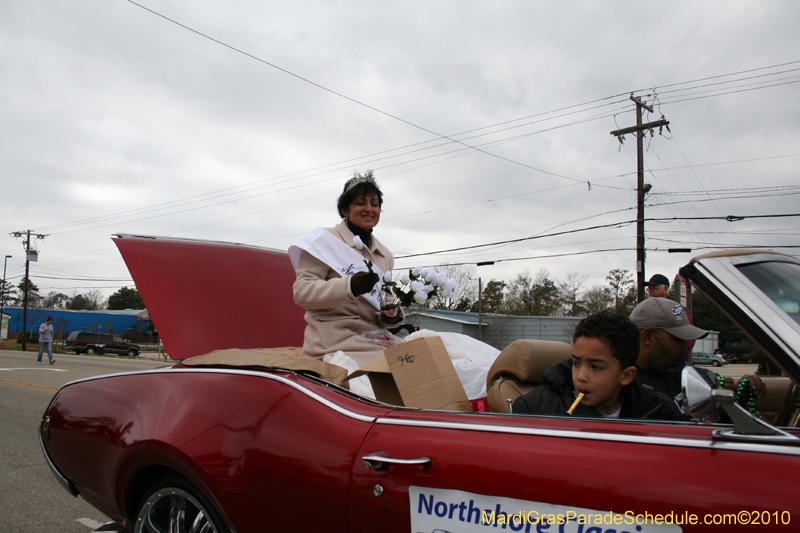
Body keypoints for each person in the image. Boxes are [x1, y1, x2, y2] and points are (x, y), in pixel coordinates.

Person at [290, 171, 403, 367]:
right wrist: (349, 286)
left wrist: (393, 315)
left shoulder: (385, 255)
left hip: (372, 338)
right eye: (360, 202)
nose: (369, 209)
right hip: (332, 341)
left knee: (425, 360)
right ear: (344, 209)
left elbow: (385, 299)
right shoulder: (324, 241)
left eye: (374, 204)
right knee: (397, 370)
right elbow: (302, 292)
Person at [513, 311, 682, 420]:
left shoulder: (659, 411)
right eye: (576, 363)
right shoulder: (535, 410)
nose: (581, 376)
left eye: (596, 367)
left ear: (626, 375)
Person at [630, 297, 765, 417]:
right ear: (648, 337)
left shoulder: (680, 376)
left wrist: (738, 399)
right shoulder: (630, 392)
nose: (685, 349)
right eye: (677, 340)